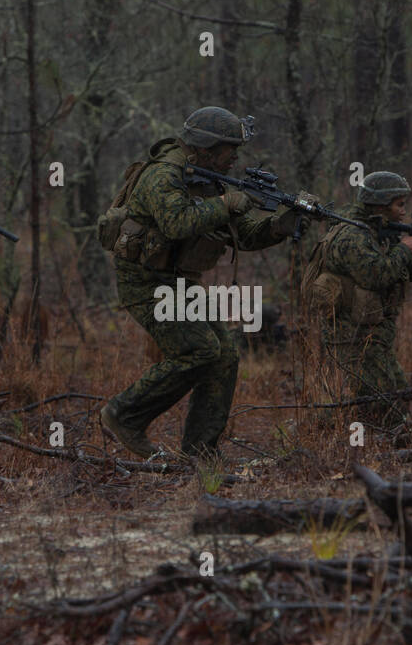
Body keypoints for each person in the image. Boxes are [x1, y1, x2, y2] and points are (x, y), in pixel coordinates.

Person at [100, 106, 304, 462]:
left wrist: (280, 225)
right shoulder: (163, 176)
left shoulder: (206, 178)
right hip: (145, 282)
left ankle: (199, 451)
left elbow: (245, 236)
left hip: (180, 282)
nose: (234, 159)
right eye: (230, 150)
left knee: (224, 355)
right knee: (199, 351)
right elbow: (177, 223)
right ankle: (124, 415)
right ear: (208, 148)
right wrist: (225, 204)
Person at [302, 170, 412, 429]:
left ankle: (382, 439)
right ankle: (343, 438)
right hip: (352, 335)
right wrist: (404, 248)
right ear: (381, 204)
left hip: (372, 333)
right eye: (399, 204)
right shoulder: (353, 235)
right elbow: (377, 275)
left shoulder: (376, 231)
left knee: (396, 391)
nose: (404, 211)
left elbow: (400, 270)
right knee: (379, 400)